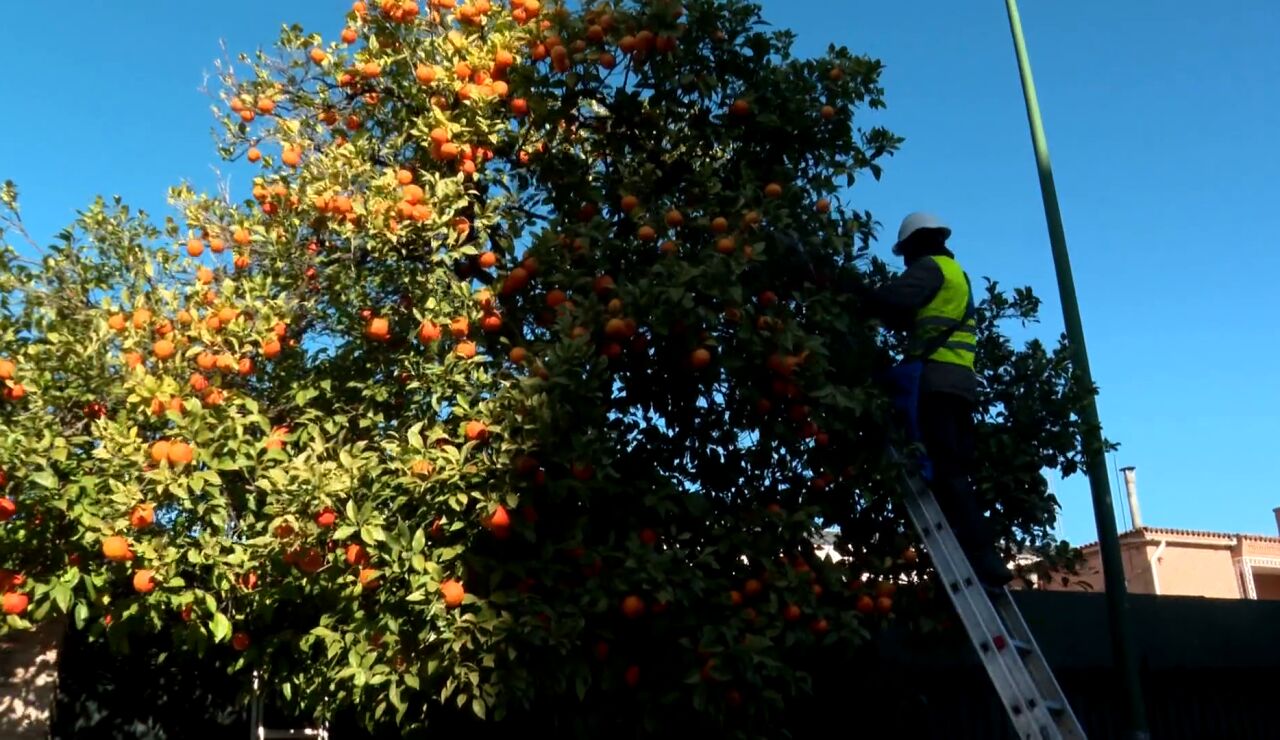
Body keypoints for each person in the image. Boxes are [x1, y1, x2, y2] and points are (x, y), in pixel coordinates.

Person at [843, 212, 1012, 588]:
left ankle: (983, 559)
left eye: (905, 252)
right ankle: (982, 555)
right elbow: (909, 317)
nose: (905, 261)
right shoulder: (957, 276)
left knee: (945, 470)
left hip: (936, 382)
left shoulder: (930, 269)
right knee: (954, 471)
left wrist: (850, 289)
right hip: (961, 385)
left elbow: (893, 301)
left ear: (917, 244)